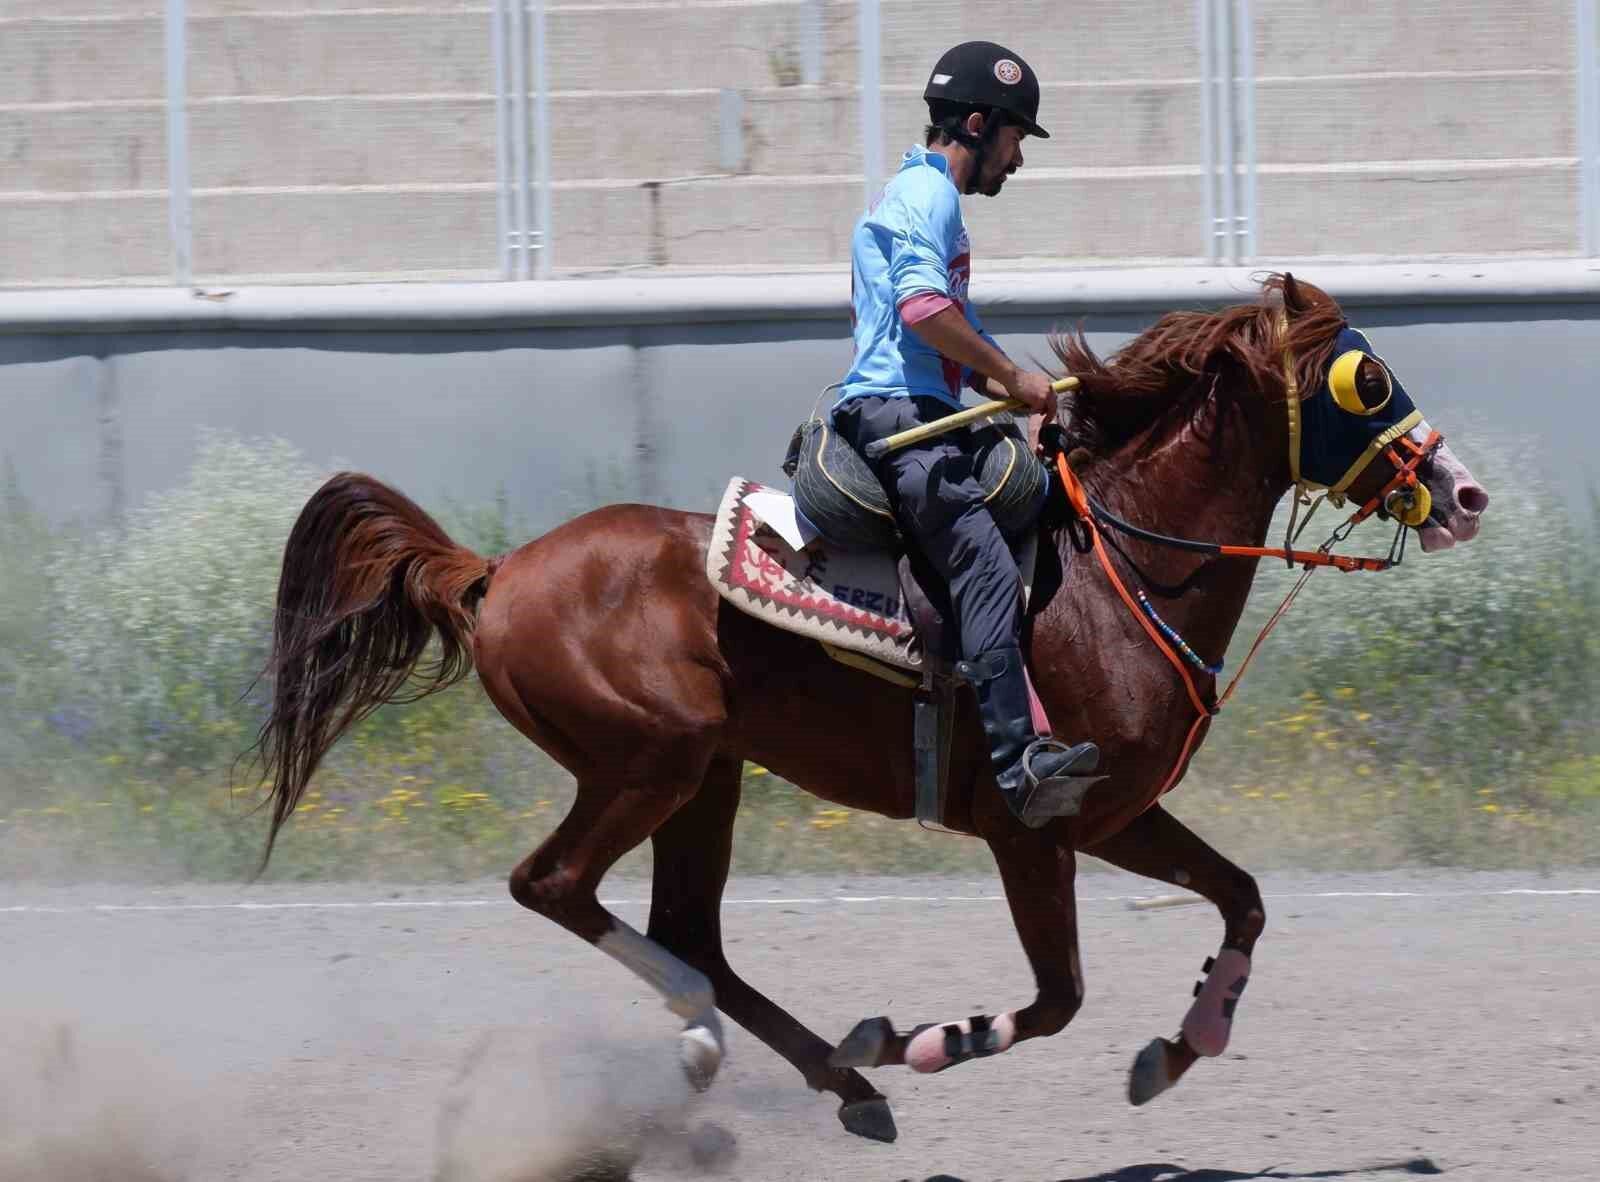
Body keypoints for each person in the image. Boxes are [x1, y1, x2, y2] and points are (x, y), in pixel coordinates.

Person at [830, 41, 1102, 828]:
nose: (1017, 159)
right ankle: (1019, 761)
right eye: (1015, 137)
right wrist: (1011, 376)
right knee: (982, 561)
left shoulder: (923, 198)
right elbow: (923, 311)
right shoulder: (931, 195)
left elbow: (961, 339)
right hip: (902, 417)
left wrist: (1023, 390)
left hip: (918, 405)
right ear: (978, 127)